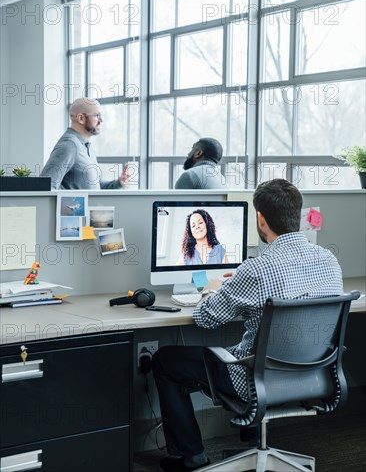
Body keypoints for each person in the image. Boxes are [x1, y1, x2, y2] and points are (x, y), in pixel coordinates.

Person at [152, 178, 344, 472]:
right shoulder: (329, 260)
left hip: (254, 382)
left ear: (261, 219)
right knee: (254, 348)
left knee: (165, 360)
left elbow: (206, 318)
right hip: (313, 376)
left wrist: (211, 289)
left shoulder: (256, 269)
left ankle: (192, 457)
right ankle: (252, 437)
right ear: (298, 214)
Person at [41, 97, 130, 190]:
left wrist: (118, 183)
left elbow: (94, 188)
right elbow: (46, 187)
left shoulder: (86, 147)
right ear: (81, 118)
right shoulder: (69, 146)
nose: (101, 120)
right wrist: (70, 204)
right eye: (97, 115)